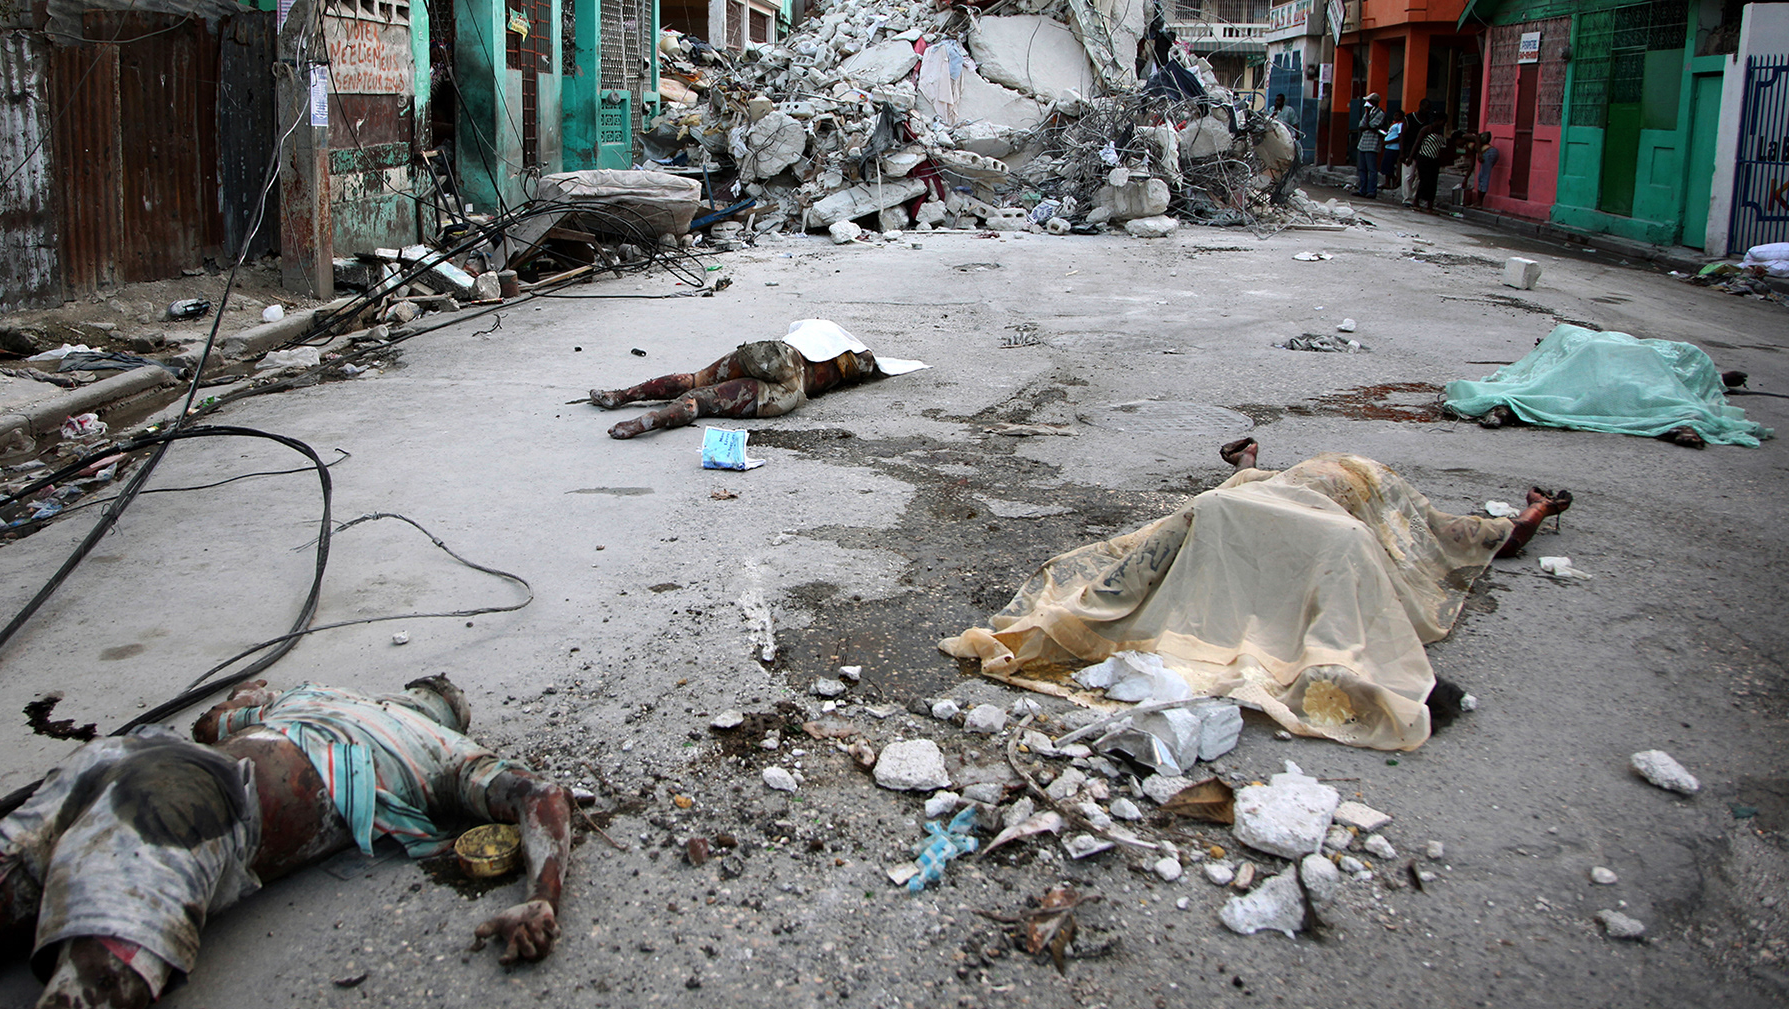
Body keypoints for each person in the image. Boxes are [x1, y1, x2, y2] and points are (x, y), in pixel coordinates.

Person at [0, 676, 571, 1009]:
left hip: (121, 764)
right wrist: (540, 899)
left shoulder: (316, 694)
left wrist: (248, 695)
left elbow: (212, 723)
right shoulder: (442, 748)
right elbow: (541, 797)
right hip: (183, 808)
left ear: (408, 691)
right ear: (447, 715)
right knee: (84, 1000)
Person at [942, 440, 1573, 751]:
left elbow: (1144, 563)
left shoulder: (1245, 494)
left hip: (1266, 500)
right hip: (1319, 502)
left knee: (1211, 513)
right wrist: (1534, 513)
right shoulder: (1368, 518)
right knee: (1432, 548)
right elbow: (1474, 540)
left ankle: (1251, 461)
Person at [591, 319, 925, 438]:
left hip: (777, 357)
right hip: (792, 393)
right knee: (704, 402)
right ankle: (648, 421)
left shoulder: (804, 336)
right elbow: (871, 364)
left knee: (697, 379)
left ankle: (622, 394)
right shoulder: (850, 357)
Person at [1411, 113, 1449, 213]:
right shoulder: (1426, 129)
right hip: (1424, 158)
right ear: (1437, 120)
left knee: (1433, 182)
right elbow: (1417, 143)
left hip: (1434, 160)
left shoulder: (1440, 132)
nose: (1443, 124)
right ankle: (1416, 201)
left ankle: (1429, 205)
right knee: (1424, 180)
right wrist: (1410, 157)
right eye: (1442, 122)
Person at [1354, 93, 1386, 198]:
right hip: (1363, 143)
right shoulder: (1367, 113)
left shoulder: (1380, 113)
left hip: (1372, 143)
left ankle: (1372, 191)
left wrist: (1367, 120)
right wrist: (1367, 117)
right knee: (1362, 169)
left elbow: (1372, 125)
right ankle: (1362, 189)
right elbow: (1361, 126)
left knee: (1372, 169)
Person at [1471, 131, 1498, 208]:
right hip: (1492, 152)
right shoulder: (1478, 143)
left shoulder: (1469, 141)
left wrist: (1479, 154)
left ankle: (1479, 202)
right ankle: (1479, 201)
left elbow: (1472, 161)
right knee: (1481, 176)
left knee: (1484, 176)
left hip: (1488, 153)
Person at [1380, 113, 1404, 191]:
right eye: (1395, 115)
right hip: (1389, 147)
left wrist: (1389, 141)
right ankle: (1387, 182)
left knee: (1389, 166)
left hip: (1394, 148)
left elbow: (1400, 137)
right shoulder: (1394, 124)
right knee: (1386, 165)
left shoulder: (1400, 125)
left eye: (1398, 115)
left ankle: (1395, 180)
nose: (1396, 117)